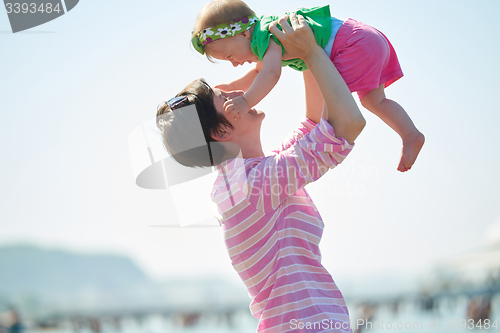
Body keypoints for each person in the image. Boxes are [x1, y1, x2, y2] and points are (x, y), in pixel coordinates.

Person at [158, 13, 365, 332]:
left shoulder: (243, 180)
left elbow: (313, 125)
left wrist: (302, 48)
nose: (237, 93)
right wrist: (311, 52)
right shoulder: (252, 186)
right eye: (223, 98)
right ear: (222, 133)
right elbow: (347, 125)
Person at [191, 0, 424, 172]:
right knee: (374, 101)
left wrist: (245, 101)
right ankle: (411, 134)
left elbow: (270, 73)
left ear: (242, 33)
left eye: (230, 55)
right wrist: (231, 86)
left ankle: (325, 142)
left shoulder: (267, 34)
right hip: (368, 39)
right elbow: (258, 70)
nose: (234, 63)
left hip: (350, 46)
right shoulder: (265, 35)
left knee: (331, 115)